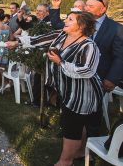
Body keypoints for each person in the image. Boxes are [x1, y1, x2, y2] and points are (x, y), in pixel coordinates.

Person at [7, 11, 103, 166]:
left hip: (82, 93)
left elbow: (87, 70)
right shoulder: (61, 35)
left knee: (71, 125)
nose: (65, 21)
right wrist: (17, 43)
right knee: (79, 123)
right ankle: (80, 152)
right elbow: (39, 39)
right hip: (67, 89)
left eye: (70, 19)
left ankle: (65, 161)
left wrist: (60, 62)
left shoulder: (88, 46)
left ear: (82, 26)